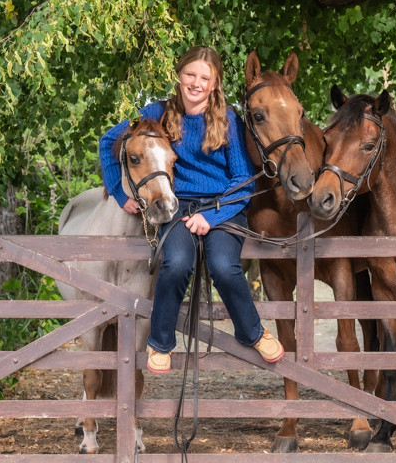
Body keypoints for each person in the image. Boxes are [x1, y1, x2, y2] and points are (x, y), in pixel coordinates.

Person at [98, 46, 285, 373]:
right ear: (179, 75)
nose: (196, 83)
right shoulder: (156, 112)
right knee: (176, 264)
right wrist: (117, 191)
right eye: (190, 75)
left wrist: (210, 217)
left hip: (224, 205)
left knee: (224, 267)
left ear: (214, 84)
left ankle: (252, 332)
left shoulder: (227, 118)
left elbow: (242, 179)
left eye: (204, 77)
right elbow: (108, 141)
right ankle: (160, 342)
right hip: (178, 206)